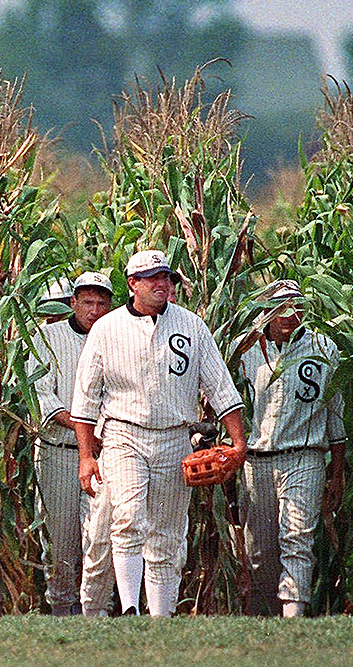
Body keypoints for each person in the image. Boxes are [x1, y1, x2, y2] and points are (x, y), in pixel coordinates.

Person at [71, 250, 246, 617]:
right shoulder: (107, 328)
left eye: (166, 277)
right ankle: (131, 606)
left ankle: (160, 617)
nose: (162, 284)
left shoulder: (191, 326)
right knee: (129, 517)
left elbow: (220, 387)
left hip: (174, 437)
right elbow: (85, 400)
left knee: (167, 533)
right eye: (152, 278)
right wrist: (87, 457)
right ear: (133, 284)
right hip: (123, 434)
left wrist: (239, 443)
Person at [232, 280, 345, 618]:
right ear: (264, 311)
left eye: (296, 306)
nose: (290, 314)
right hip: (256, 461)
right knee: (260, 551)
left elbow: (334, 414)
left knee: (297, 538)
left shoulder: (323, 347)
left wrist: (336, 474)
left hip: (304, 456)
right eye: (281, 306)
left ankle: (293, 619)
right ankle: (268, 616)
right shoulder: (244, 348)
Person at [28, 271, 115, 616]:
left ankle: (100, 612)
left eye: (101, 303)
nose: (94, 310)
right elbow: (42, 397)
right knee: (60, 542)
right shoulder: (46, 337)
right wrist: (85, 434)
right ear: (73, 303)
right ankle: (62, 613)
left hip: (108, 454)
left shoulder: (118, 337)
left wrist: (100, 438)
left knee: (102, 537)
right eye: (87, 302)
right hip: (58, 453)